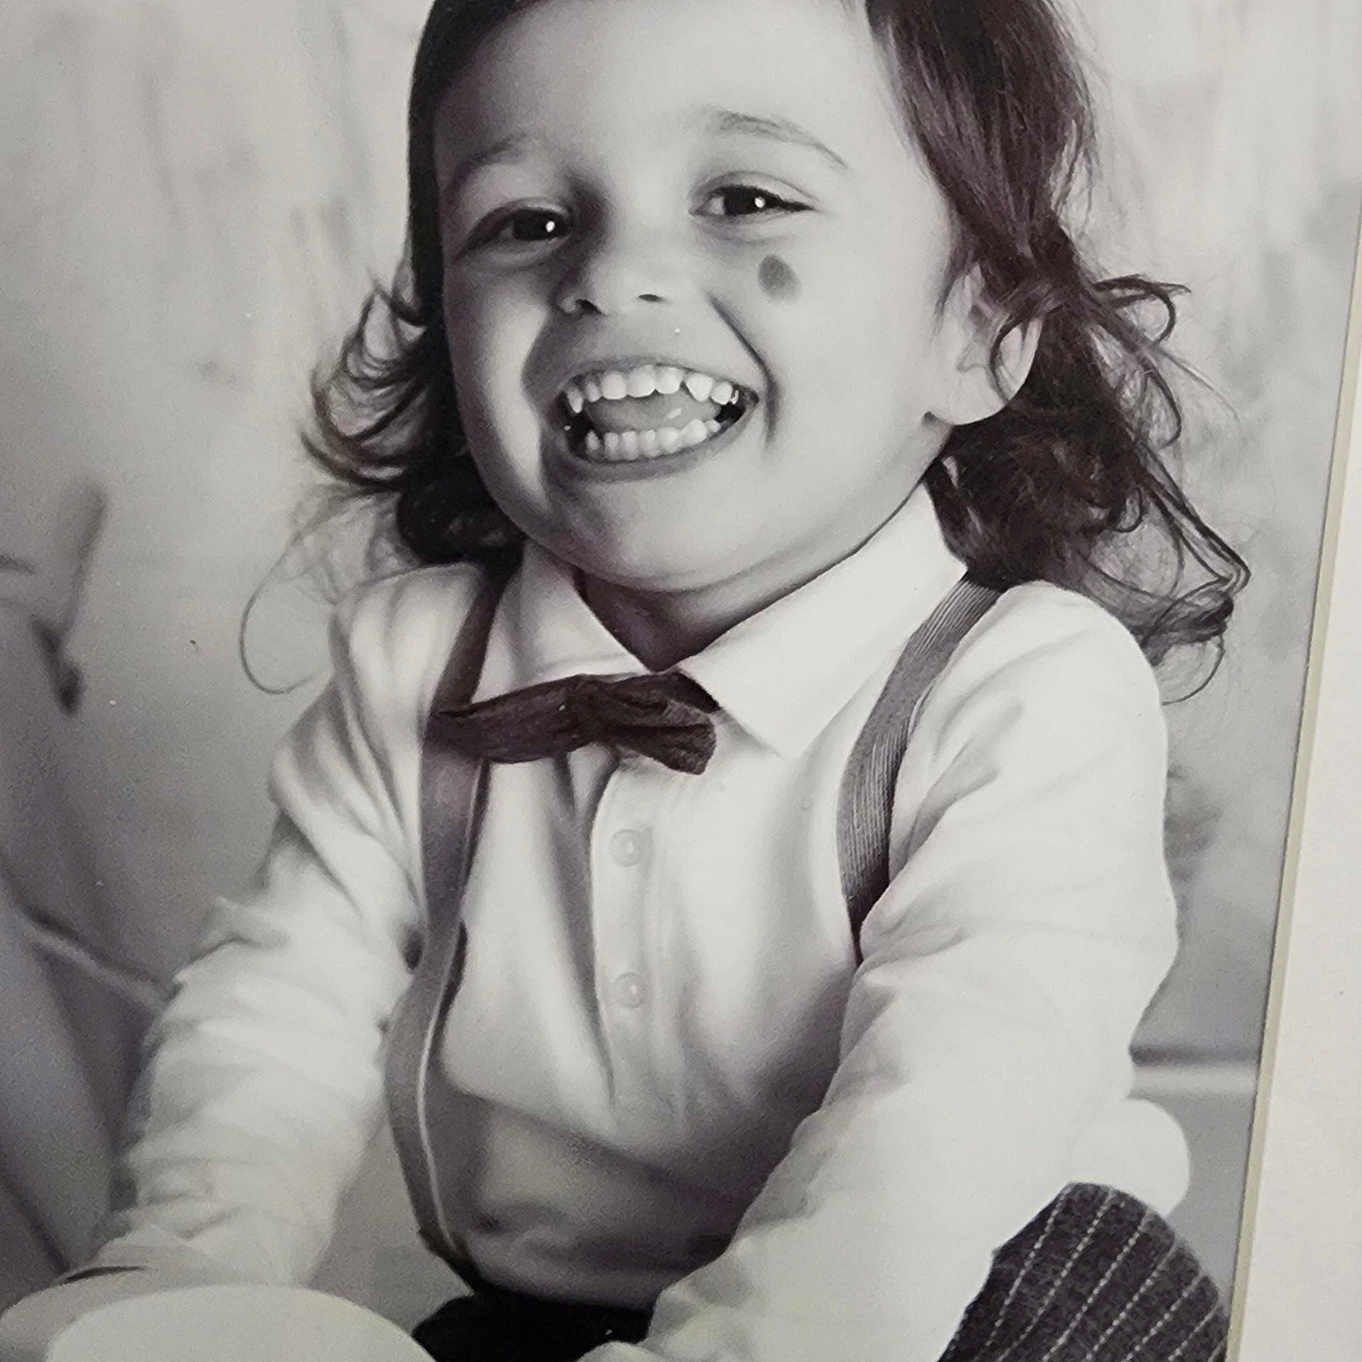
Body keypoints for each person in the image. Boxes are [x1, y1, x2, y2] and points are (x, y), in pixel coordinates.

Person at [1, 1, 1249, 1359]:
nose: (611, 274)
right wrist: (189, 1264)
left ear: (979, 332)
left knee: (1068, 1293)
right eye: (526, 220)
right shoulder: (417, 664)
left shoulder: (1023, 691)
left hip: (945, 1282)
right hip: (554, 1307)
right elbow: (275, 1014)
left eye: (745, 196)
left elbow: (940, 1115)